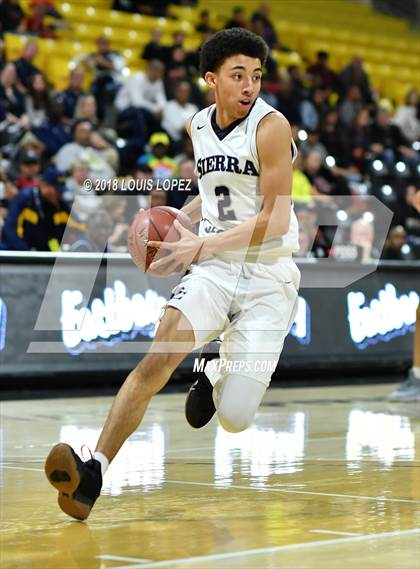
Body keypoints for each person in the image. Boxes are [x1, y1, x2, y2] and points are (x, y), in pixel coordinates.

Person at [44, 28, 300, 521]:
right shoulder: (198, 126)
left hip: (269, 274)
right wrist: (179, 223)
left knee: (236, 418)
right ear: (211, 79)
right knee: (153, 364)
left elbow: (276, 220)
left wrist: (201, 241)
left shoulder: (271, 128)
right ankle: (92, 473)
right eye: (238, 76)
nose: (250, 86)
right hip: (216, 267)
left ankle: (214, 369)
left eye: (257, 77)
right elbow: (214, 192)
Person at [0, 167, 80, 251]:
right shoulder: (25, 199)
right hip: (19, 254)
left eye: (61, 191)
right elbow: (10, 230)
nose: (59, 194)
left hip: (46, 255)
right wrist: (27, 254)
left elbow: (79, 228)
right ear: (43, 185)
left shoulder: (60, 204)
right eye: (56, 190)